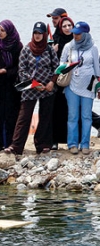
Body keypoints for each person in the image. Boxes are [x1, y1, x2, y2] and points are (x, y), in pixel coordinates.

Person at [4, 22, 59, 155]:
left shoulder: (50, 50)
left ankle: (42, 145)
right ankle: (16, 146)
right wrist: (34, 84)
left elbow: (57, 68)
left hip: (47, 88)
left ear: (44, 34)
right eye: (35, 33)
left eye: (40, 33)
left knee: (45, 116)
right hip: (30, 87)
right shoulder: (26, 50)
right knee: (24, 117)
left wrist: (52, 82)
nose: (38, 36)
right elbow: (22, 71)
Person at [61, 21, 100, 155]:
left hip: (89, 86)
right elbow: (61, 64)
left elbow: (97, 68)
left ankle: (85, 144)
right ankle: (72, 144)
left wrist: (99, 87)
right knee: (73, 115)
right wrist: (68, 65)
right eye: (74, 34)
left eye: (78, 34)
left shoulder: (93, 48)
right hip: (72, 85)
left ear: (85, 34)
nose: (75, 36)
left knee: (87, 116)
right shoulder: (68, 46)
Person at [0, 20, 23, 150]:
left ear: (9, 32)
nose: (0, 33)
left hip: (11, 85)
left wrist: (6, 71)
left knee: (10, 114)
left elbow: (19, 66)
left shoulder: (18, 46)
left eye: (3, 31)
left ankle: (9, 143)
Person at [50, 16, 74, 150]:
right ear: (60, 28)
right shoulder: (55, 40)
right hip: (59, 81)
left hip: (74, 82)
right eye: (64, 26)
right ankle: (55, 140)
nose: (67, 28)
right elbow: (49, 62)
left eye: (69, 25)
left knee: (73, 111)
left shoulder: (78, 40)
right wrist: (53, 51)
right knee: (57, 110)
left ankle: (72, 140)